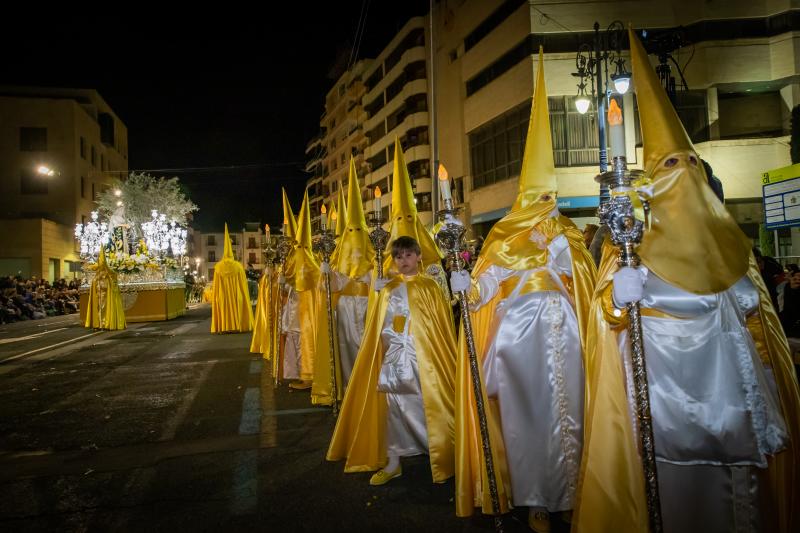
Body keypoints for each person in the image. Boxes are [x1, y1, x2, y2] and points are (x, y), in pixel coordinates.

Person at [574, 29, 800, 533]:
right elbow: (606, 318)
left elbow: (757, 322)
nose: (684, 176)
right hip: (668, 400)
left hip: (732, 398)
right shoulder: (631, 245)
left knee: (737, 497)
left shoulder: (732, 252)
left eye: (691, 166)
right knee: (676, 500)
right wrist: (617, 297)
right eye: (672, 167)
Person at [452, 48, 596, 532]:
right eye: (538, 196)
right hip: (519, 339)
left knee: (573, 414)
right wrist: (464, 285)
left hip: (569, 337)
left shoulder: (569, 233)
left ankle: (574, 493)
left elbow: (588, 282)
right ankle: (536, 497)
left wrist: (560, 254)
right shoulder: (502, 236)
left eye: (550, 197)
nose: (544, 204)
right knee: (529, 420)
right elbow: (483, 290)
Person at [326, 236, 457, 486]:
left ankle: (442, 455)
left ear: (419, 256)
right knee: (393, 409)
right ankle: (394, 461)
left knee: (429, 404)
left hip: (425, 360)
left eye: (408, 255)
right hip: (394, 360)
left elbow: (441, 328)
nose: (403, 260)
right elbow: (377, 327)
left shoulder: (430, 287)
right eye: (398, 256)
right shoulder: (387, 289)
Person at [314, 156, 375, 401]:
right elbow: (326, 287)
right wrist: (327, 274)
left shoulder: (374, 253)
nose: (354, 236)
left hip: (368, 307)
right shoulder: (338, 256)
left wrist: (372, 279)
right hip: (346, 309)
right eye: (350, 231)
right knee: (348, 349)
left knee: (369, 349)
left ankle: (370, 388)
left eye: (358, 230)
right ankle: (350, 390)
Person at [210, 224, 253, 333]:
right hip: (236, 294)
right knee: (238, 305)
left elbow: (216, 287)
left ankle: (224, 327)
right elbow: (243, 286)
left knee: (224, 307)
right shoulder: (238, 266)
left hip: (222, 295)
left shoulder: (218, 267)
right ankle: (238, 326)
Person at [84, 248, 126, 330]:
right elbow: (94, 285)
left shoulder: (110, 276)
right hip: (98, 296)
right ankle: (99, 323)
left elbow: (110, 286)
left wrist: (104, 281)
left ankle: (105, 323)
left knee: (104, 309)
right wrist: (97, 281)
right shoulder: (96, 277)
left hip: (106, 296)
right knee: (99, 309)